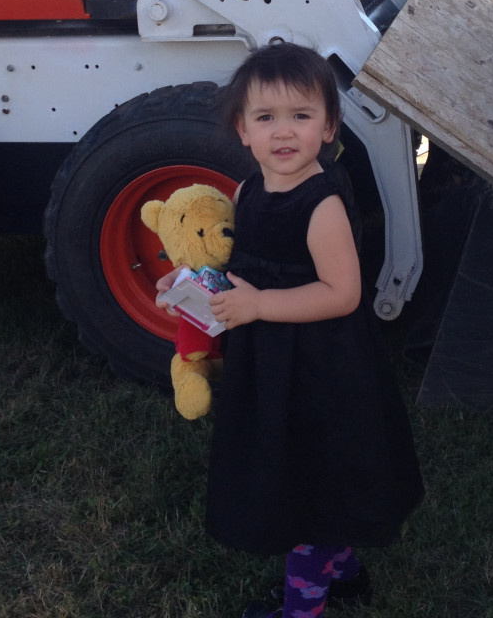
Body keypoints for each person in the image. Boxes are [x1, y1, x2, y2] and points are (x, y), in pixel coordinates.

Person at [158, 42, 424, 618]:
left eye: (301, 116)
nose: (284, 133)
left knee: (309, 482)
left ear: (328, 127)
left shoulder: (320, 204)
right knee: (302, 470)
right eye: (266, 117)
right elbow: (241, 270)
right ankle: (345, 571)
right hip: (272, 360)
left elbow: (342, 294)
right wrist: (190, 288)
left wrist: (259, 308)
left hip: (322, 366)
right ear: (242, 129)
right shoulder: (247, 191)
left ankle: (303, 607)